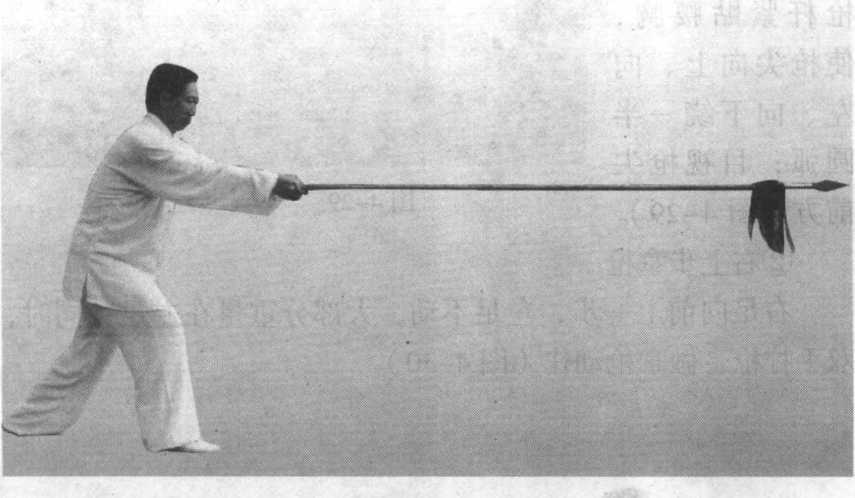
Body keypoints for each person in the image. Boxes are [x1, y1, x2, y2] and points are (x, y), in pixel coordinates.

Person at [2, 63, 306, 453]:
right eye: (189, 101)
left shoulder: (163, 143)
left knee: (87, 353)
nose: (194, 110)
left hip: (114, 264)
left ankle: (26, 422)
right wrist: (271, 183)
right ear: (165, 98)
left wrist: (271, 182)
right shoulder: (144, 143)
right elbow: (202, 176)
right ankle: (173, 435)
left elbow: (205, 169)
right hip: (107, 264)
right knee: (162, 327)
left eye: (196, 102)